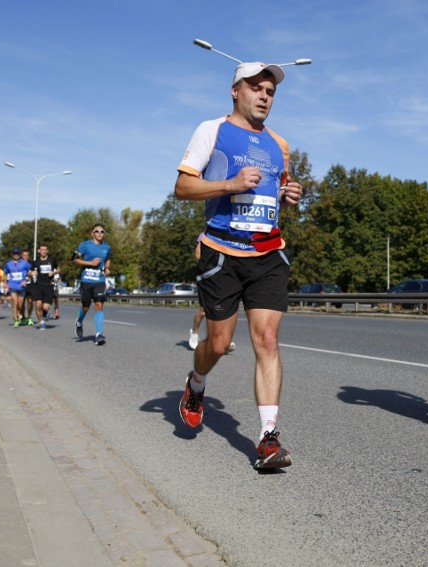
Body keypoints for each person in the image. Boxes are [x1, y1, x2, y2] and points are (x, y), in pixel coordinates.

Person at [174, 59, 303, 470]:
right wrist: (228, 184)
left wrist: (289, 196)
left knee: (266, 341)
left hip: (267, 252)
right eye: (257, 88)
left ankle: (268, 438)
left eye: (271, 91)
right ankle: (196, 386)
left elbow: (276, 191)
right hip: (222, 252)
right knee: (217, 343)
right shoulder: (212, 129)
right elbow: (182, 187)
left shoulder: (279, 144)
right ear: (236, 90)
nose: (265, 96)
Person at [188, 232, 236, 353]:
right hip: (207, 274)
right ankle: (194, 332)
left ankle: (222, 340)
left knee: (224, 308)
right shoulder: (205, 235)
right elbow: (198, 255)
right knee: (204, 310)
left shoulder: (229, 235)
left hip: (223, 275)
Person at [72, 223, 112, 345]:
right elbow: (73, 260)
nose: (99, 233)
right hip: (86, 281)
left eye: (102, 231)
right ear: (92, 233)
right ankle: (79, 322)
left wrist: (106, 268)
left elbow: (108, 259)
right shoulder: (84, 245)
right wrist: (90, 263)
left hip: (99, 281)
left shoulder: (107, 247)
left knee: (99, 305)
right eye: (97, 231)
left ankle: (98, 335)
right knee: (86, 307)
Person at [29, 244, 59, 330]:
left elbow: (59, 269)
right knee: (38, 305)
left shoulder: (52, 260)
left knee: (45, 307)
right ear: (39, 251)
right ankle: (42, 323)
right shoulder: (36, 262)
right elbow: (29, 272)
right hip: (38, 285)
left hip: (49, 286)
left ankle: (44, 314)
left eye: (45, 249)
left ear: (47, 251)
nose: (44, 251)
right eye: (42, 249)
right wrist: (32, 273)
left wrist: (53, 273)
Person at [4, 248, 31, 327]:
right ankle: (15, 320)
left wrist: (26, 280)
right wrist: (5, 283)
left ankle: (20, 315)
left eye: (17, 253)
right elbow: (5, 273)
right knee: (15, 302)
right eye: (14, 253)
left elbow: (31, 273)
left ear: (20, 254)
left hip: (22, 286)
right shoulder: (8, 264)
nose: (16, 255)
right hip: (12, 285)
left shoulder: (25, 263)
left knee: (20, 305)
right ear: (12, 254)